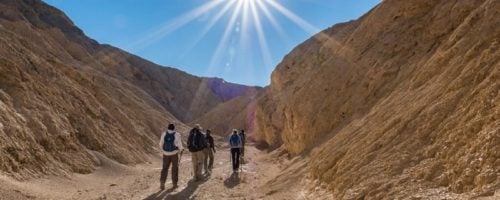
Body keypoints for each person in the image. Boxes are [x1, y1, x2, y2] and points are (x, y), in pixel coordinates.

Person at [159, 123, 184, 190]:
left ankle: (162, 183)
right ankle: (174, 184)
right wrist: (181, 149)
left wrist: (164, 151)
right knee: (174, 168)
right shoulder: (177, 134)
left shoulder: (164, 134)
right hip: (174, 154)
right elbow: (179, 144)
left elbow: (160, 144)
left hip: (165, 154)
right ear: (174, 128)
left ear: (168, 128)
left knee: (165, 168)